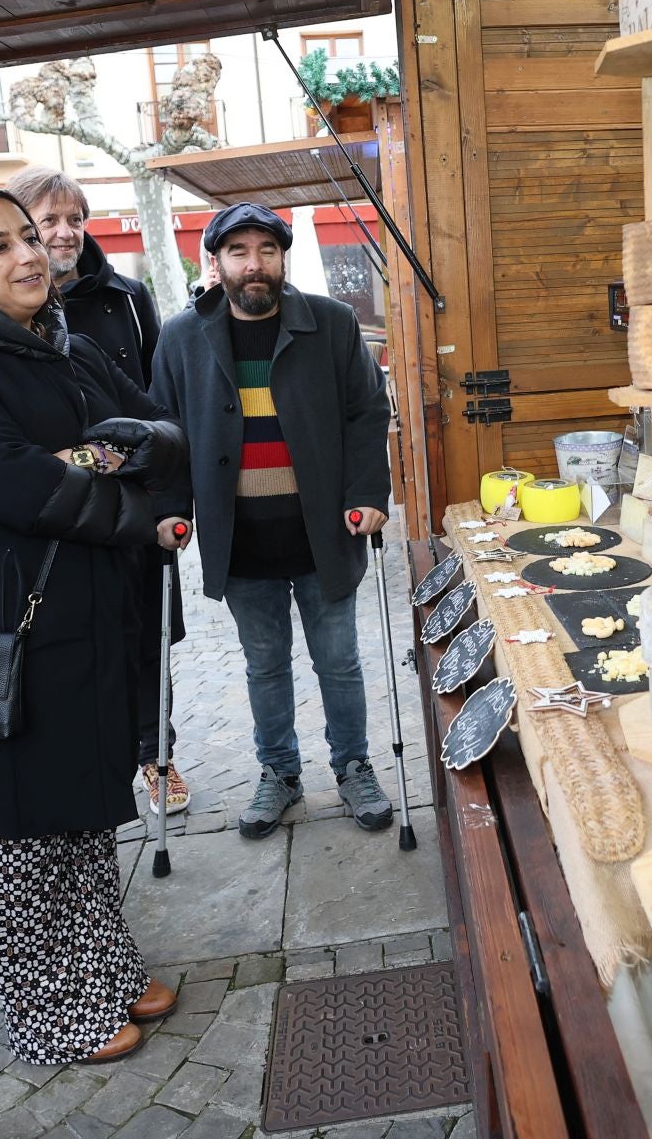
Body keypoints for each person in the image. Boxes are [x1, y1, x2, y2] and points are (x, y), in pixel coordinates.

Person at [0, 188, 187, 1065]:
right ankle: (54, 1010)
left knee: (82, 806)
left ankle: (104, 967)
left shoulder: (66, 339)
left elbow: (158, 427)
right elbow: (14, 485)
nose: (28, 255)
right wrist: (119, 488)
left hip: (80, 602)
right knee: (19, 826)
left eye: (29, 236)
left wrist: (96, 457)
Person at [150, 202, 395, 840]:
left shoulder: (334, 325)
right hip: (243, 540)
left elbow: (368, 413)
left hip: (324, 531)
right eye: (239, 252)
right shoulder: (182, 337)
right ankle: (279, 774)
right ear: (216, 263)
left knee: (339, 663)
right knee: (265, 666)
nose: (254, 264)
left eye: (266, 250)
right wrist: (170, 511)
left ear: (282, 258)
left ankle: (352, 767)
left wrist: (369, 492)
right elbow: (167, 433)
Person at [8, 166, 190, 814]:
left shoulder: (127, 298)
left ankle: (156, 753)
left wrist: (168, 503)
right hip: (61, 518)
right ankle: (100, 760)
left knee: (147, 638)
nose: (64, 232)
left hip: (132, 507)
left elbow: (155, 409)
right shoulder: (3, 317)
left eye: (73, 218)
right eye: (48, 220)